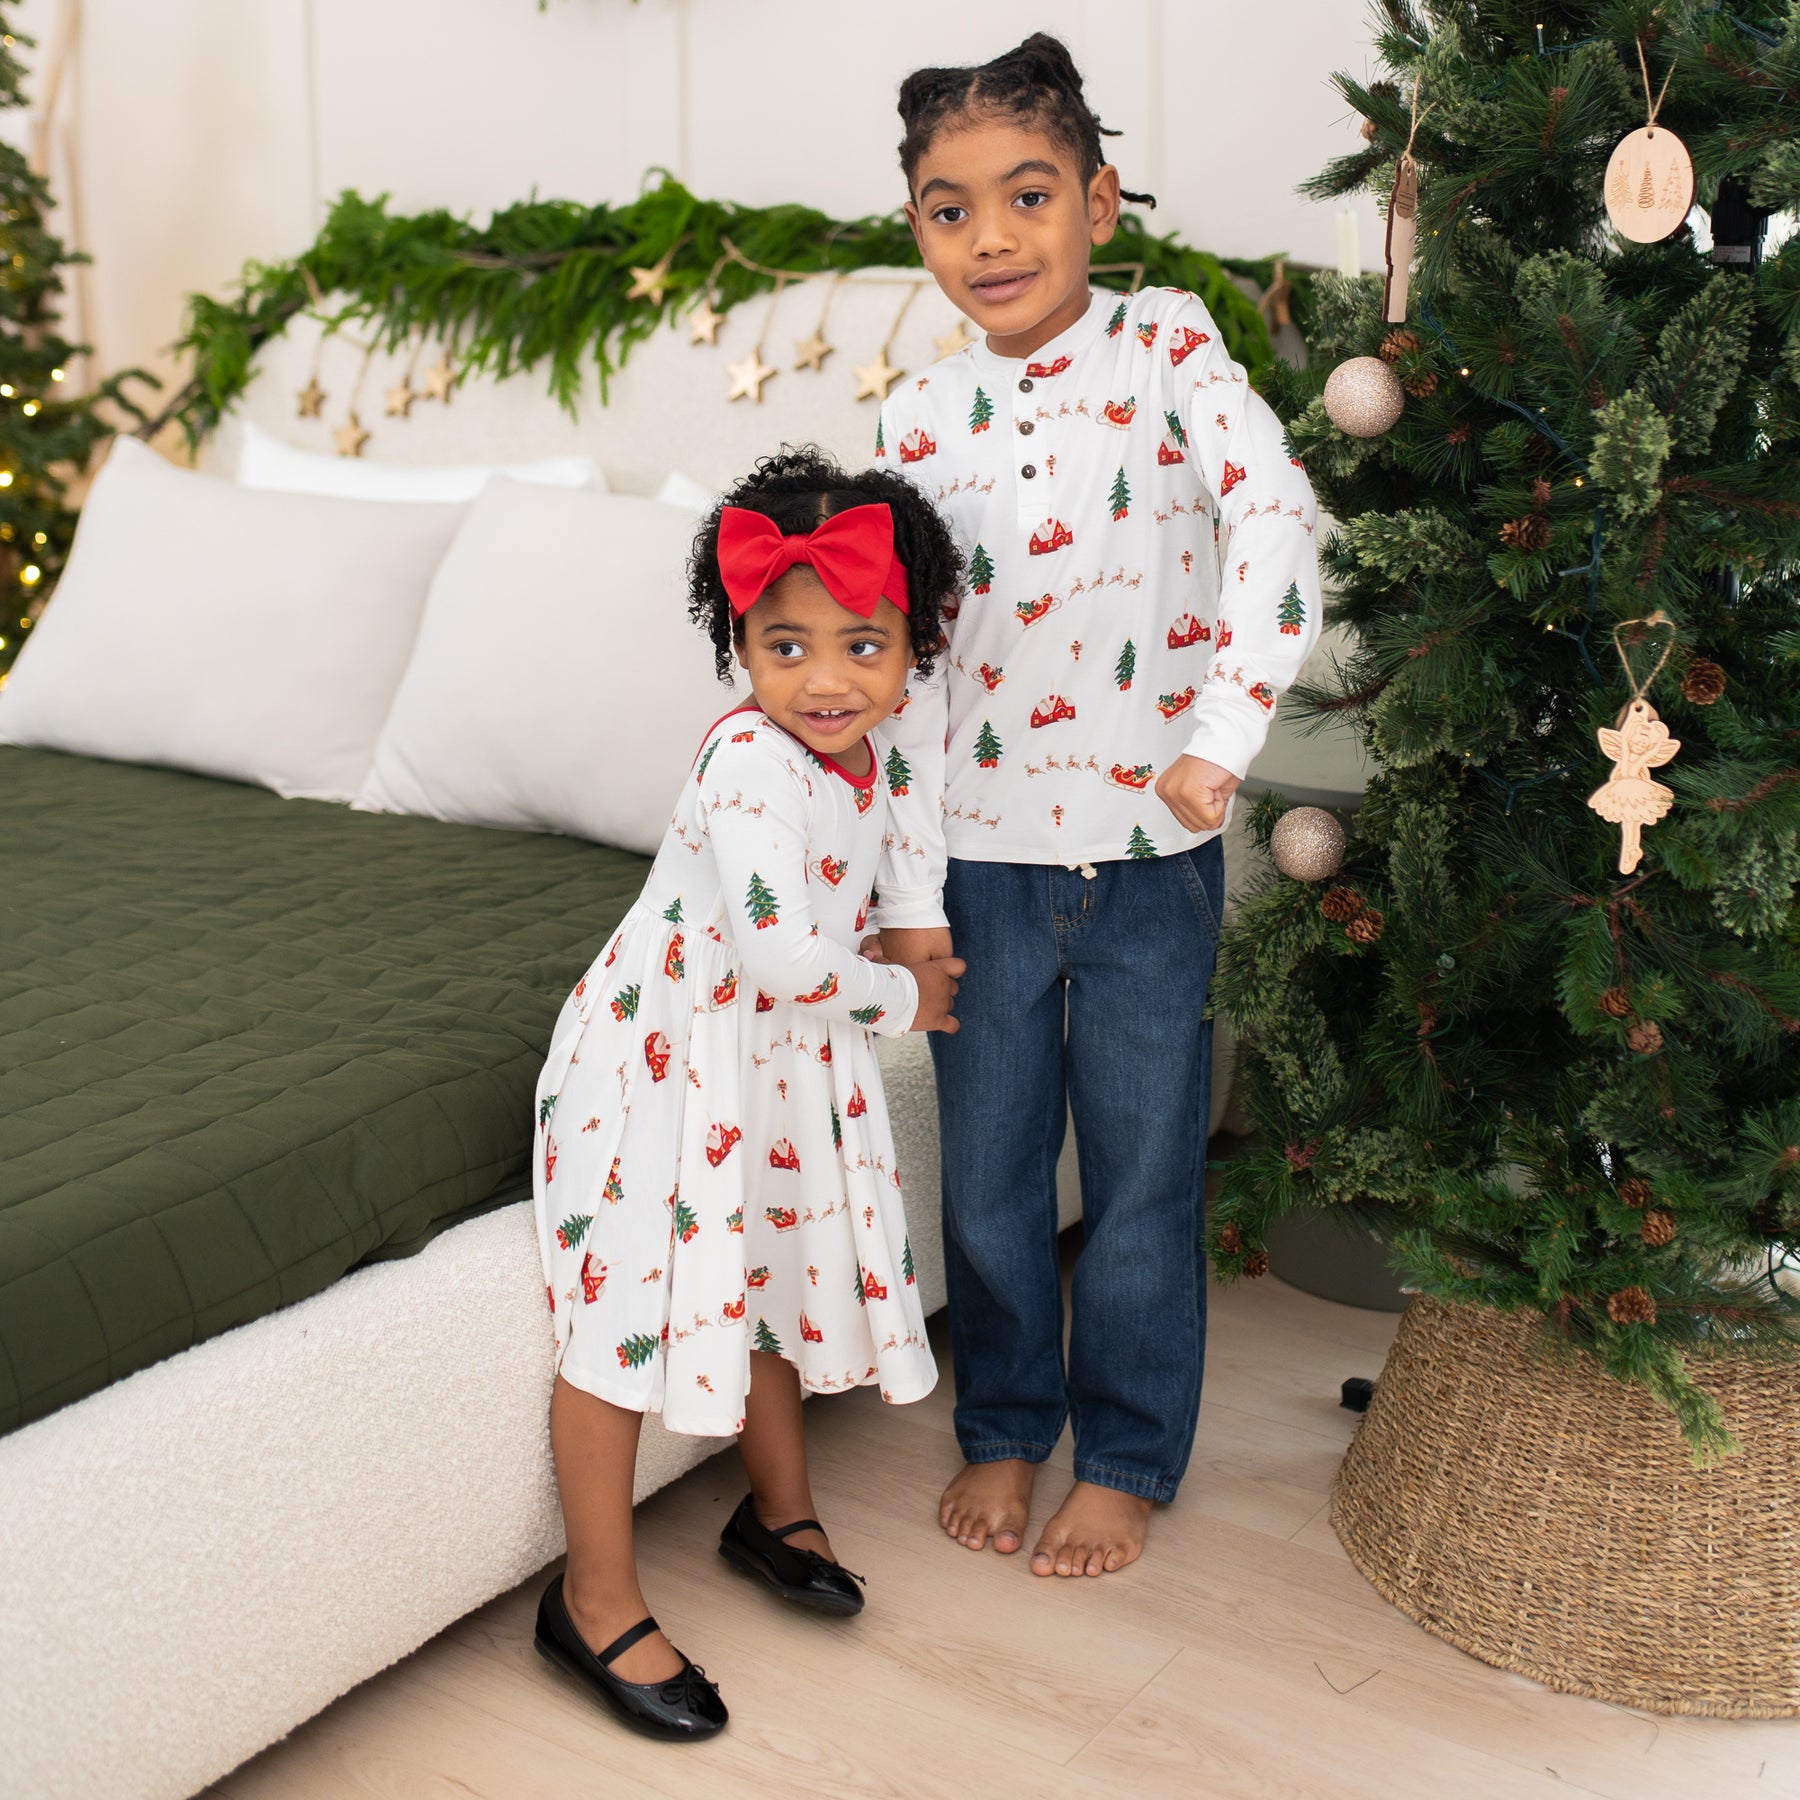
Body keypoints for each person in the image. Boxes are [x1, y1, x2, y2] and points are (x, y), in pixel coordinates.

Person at [872, 32, 1323, 1580]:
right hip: (983, 867)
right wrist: (909, 894)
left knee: (1138, 1178)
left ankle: (1126, 1450)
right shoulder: (916, 420)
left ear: (1100, 205)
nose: (990, 238)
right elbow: (907, 672)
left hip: (1148, 860)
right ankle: (1006, 1428)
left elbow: (1277, 522)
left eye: (1028, 195)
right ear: (918, 228)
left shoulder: (1171, 350)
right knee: (992, 1179)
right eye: (948, 209)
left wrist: (1224, 728)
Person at [530, 448, 966, 1739]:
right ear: (742, 647)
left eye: (860, 645)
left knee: (769, 1266)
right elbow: (784, 954)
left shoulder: (872, 755)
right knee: (616, 1320)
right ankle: (592, 1598)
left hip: (767, 1057)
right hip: (662, 1058)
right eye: (786, 647)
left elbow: (891, 874)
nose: (826, 681)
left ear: (907, 648)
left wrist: (911, 938)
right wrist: (908, 1002)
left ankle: (774, 1511)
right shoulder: (746, 765)